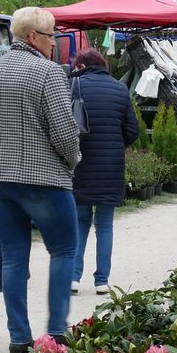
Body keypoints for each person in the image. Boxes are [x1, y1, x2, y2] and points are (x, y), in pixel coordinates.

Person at [0, 6, 81, 353]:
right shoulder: (49, 73)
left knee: (14, 257)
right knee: (63, 249)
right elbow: (64, 132)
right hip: (43, 178)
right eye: (51, 36)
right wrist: (73, 161)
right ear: (33, 37)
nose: (55, 43)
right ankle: (57, 332)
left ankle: (19, 337)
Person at [68, 49, 139, 296]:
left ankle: (73, 279)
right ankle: (101, 280)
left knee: (79, 222)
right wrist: (115, 144)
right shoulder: (119, 89)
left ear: (82, 65)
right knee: (105, 225)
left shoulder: (73, 85)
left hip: (79, 163)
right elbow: (132, 130)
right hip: (110, 166)